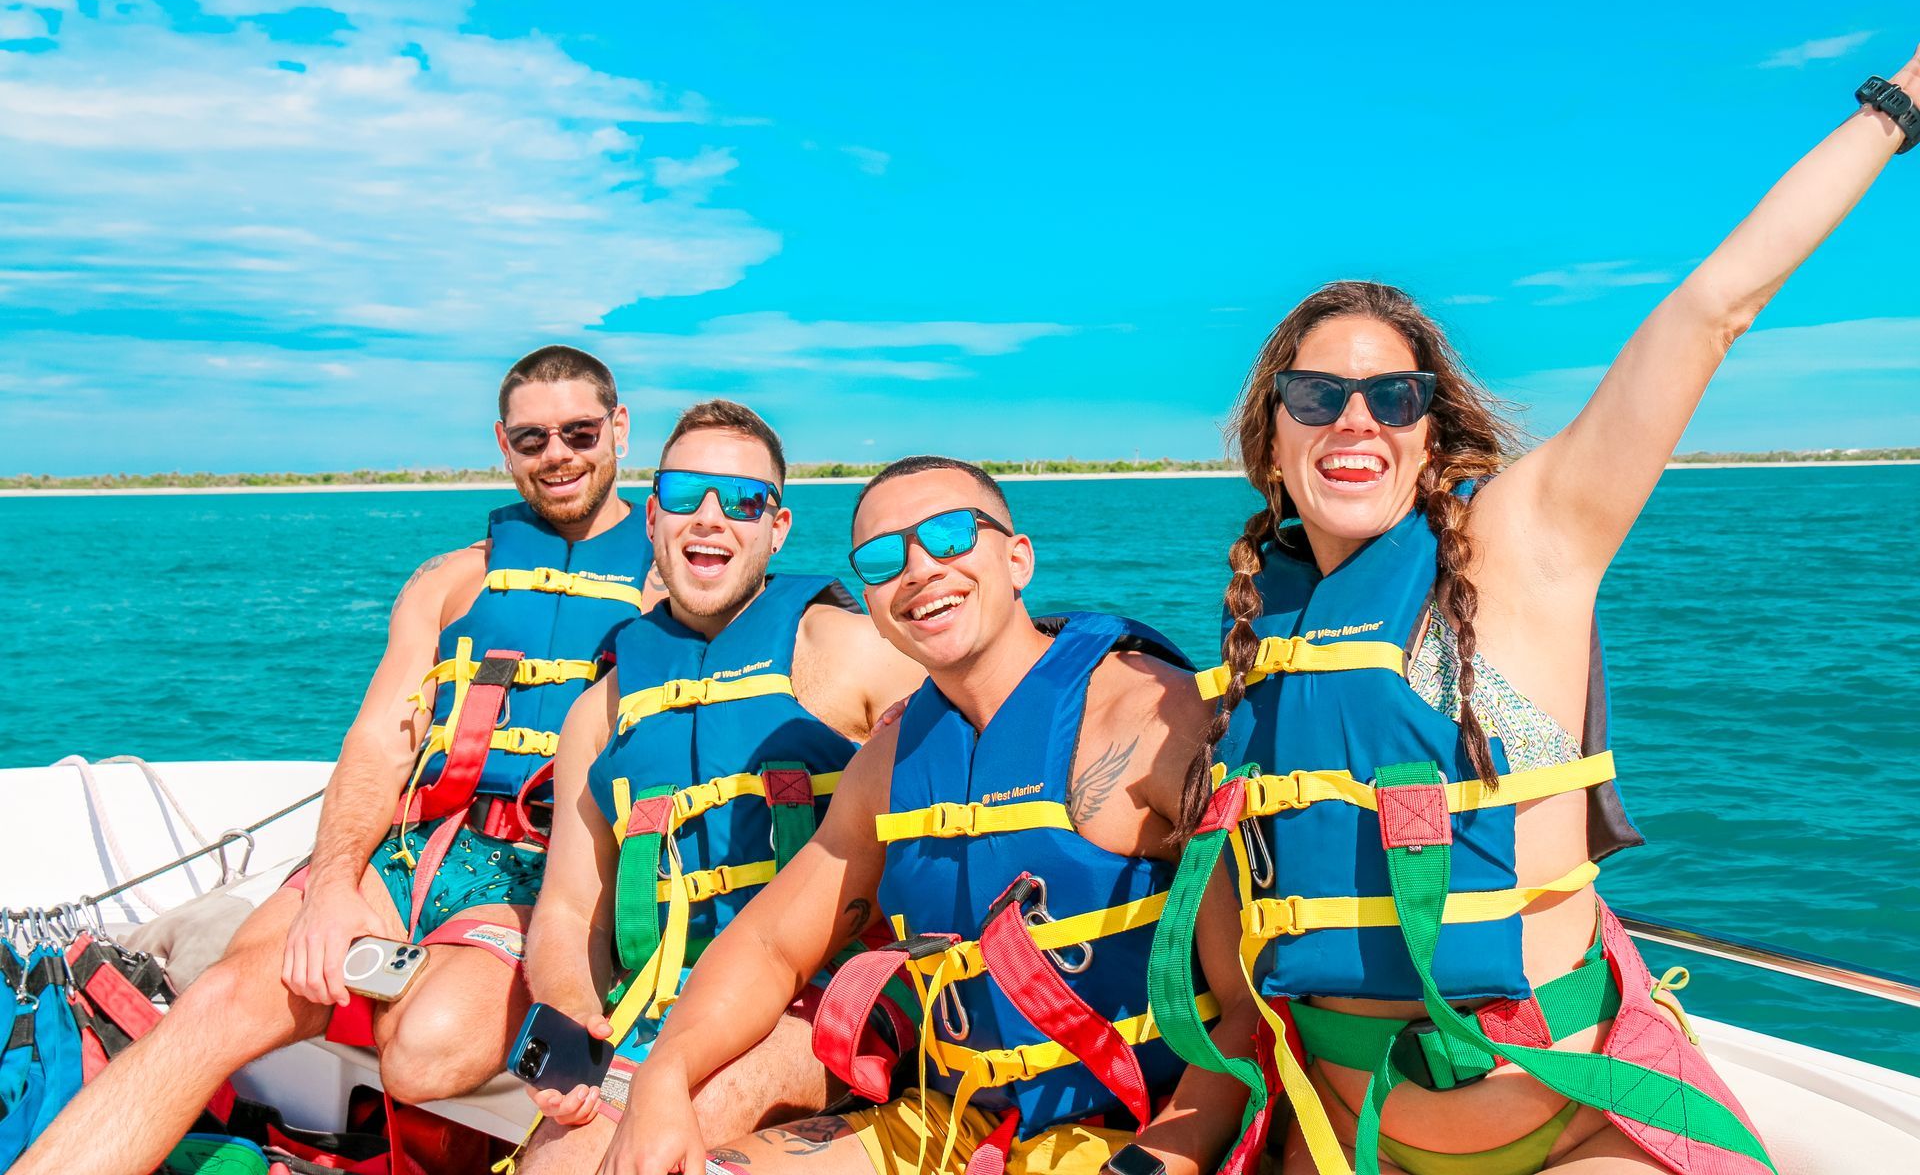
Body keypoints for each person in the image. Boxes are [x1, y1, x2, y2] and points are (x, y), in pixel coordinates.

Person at [1161, 53, 1920, 1175]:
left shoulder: (1526, 541)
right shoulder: (1254, 635)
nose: (1353, 419)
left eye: (1393, 396)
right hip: (1336, 1133)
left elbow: (1715, 308)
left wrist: (1897, 107)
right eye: (1316, 396)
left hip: (1559, 1126)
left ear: (1430, 431)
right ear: (1269, 435)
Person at [16, 345, 659, 1175]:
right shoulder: (449, 583)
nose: (558, 455)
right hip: (410, 848)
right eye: (533, 440)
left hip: (540, 872)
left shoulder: (669, 581)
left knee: (422, 1052)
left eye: (578, 432)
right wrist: (329, 888)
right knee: (223, 997)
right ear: (504, 445)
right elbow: (377, 744)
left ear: (619, 429)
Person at [599, 455, 1261, 1175]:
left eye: (949, 536)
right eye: (884, 560)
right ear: (876, 610)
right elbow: (772, 948)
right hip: (945, 1126)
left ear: (1018, 559)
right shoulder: (887, 767)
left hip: (1131, 1131)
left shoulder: (1155, 721)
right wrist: (662, 1078)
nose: (918, 569)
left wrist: (1167, 1155)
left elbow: (1251, 1003)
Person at [514, 401, 926, 1174]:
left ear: (777, 527)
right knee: (553, 1159)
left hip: (826, 998)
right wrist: (570, 1009)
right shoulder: (596, 714)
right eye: (683, 495)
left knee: (638, 1147)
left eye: (742, 500)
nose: (710, 518)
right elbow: (569, 908)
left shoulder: (858, 656)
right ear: (651, 517)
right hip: (660, 1009)